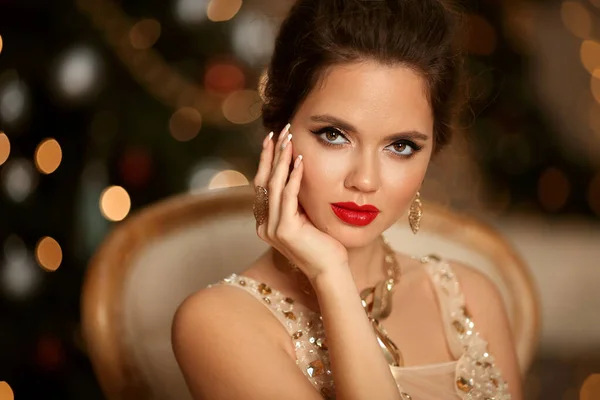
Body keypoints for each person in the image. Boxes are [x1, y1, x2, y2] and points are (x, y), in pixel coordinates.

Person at [171, 0, 523, 399]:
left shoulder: (472, 296)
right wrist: (331, 275)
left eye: (401, 146)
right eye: (334, 135)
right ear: (278, 128)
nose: (365, 180)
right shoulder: (218, 324)